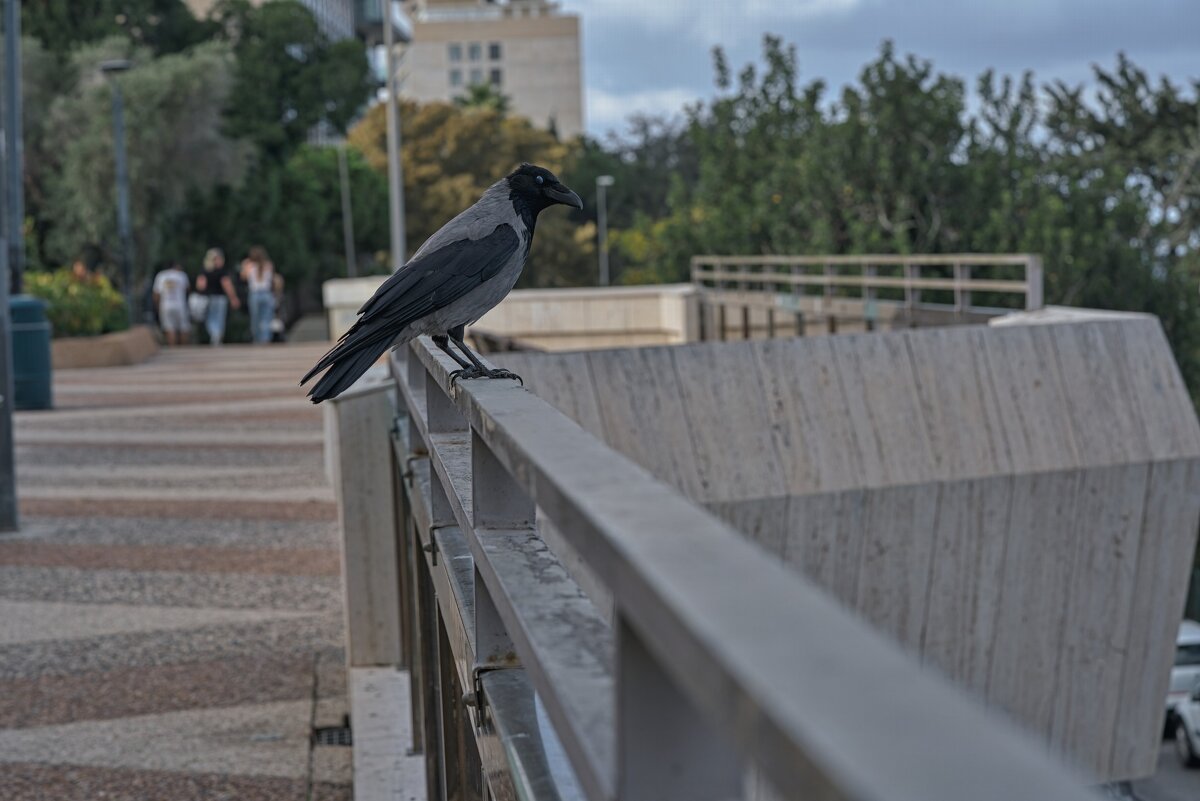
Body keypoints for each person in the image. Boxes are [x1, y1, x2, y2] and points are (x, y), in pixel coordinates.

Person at [194, 248, 240, 346]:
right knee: (219, 318)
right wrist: (233, 298)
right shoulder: (221, 271)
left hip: (208, 298)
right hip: (220, 297)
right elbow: (227, 284)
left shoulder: (204, 270)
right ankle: (217, 335)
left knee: (210, 318)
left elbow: (200, 285)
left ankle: (214, 334)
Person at [241, 246, 276, 344]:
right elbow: (272, 280)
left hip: (255, 294)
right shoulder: (268, 265)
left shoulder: (249, 265)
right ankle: (265, 339)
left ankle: (257, 339)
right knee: (266, 319)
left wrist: (244, 265)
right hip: (267, 293)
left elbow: (243, 277)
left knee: (255, 319)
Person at [152, 260, 190, 346]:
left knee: (169, 328)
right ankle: (183, 349)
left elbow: (156, 294)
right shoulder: (181, 275)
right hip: (180, 305)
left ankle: (173, 349)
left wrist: (157, 306)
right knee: (184, 328)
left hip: (165, 305)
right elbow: (187, 289)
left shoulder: (161, 276)